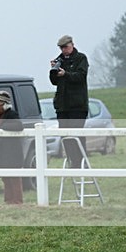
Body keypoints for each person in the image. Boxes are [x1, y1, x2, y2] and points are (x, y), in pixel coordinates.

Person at [49, 34, 89, 169]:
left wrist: (65, 73)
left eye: (65, 47)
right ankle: (72, 161)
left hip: (77, 105)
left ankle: (81, 162)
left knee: (77, 134)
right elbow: (54, 82)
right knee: (65, 136)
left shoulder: (81, 58)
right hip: (63, 106)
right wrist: (53, 70)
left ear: (72, 44)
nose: (63, 50)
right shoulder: (59, 60)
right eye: (61, 48)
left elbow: (80, 77)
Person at [0, 91, 24, 204]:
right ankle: (8, 200)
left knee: (14, 177)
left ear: (3, 103)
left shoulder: (12, 114)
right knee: (5, 177)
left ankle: (17, 200)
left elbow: (19, 126)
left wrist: (3, 127)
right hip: (1, 151)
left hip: (13, 151)